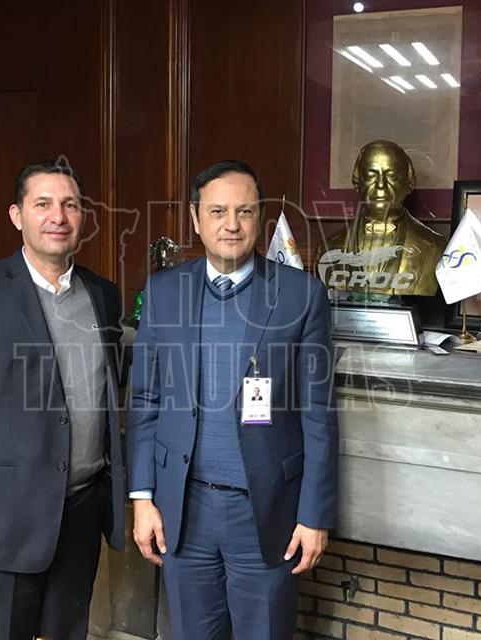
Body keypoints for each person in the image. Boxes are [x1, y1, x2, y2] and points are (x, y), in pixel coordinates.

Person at [127, 160, 338, 639]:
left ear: (260, 217)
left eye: (244, 211)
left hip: (265, 513)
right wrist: (142, 498)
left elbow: (319, 416)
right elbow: (145, 401)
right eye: (217, 211)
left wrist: (314, 515)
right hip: (183, 511)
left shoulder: (301, 296)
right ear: (195, 218)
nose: (231, 224)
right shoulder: (164, 291)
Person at [0, 157, 125, 640]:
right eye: (43, 204)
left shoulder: (103, 295)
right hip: (0, 526)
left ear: (83, 217)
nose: (58, 216)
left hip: (80, 514)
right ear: (17, 215)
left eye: (70, 205)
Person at [314, 139, 445, 297]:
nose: (381, 185)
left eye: (392, 176)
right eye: (371, 176)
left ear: (409, 184)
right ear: (357, 183)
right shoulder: (327, 248)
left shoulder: (436, 248)